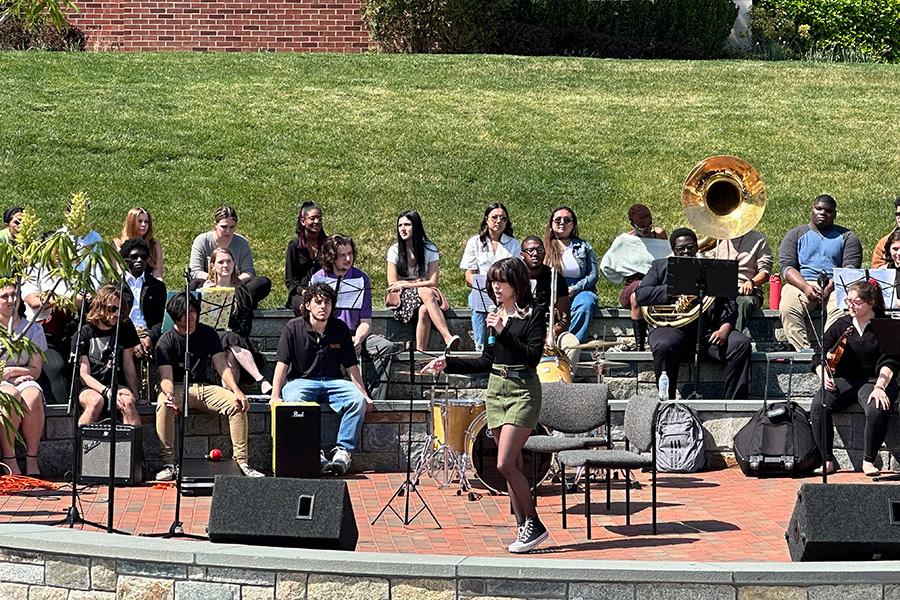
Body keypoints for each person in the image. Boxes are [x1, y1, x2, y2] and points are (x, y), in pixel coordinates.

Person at [422, 258, 547, 553]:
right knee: (511, 463)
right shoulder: (495, 315)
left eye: (500, 282)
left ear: (516, 284)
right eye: (493, 282)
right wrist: (448, 363)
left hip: (522, 390)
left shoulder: (533, 314)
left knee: (504, 463)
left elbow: (532, 357)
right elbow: (487, 361)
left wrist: (503, 331)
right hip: (497, 390)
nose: (495, 287)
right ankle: (522, 527)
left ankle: (534, 522)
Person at [154, 293, 264, 480]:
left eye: (192, 311)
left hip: (206, 387)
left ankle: (242, 462)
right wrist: (170, 394)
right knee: (164, 404)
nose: (190, 317)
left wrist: (237, 391)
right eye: (184, 314)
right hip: (180, 387)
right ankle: (169, 463)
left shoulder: (208, 333)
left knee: (236, 403)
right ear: (175, 316)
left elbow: (222, 365)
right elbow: (166, 376)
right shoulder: (166, 341)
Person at [635, 227, 752, 400]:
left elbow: (730, 304)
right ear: (673, 250)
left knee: (740, 344)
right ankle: (667, 401)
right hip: (671, 329)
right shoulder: (660, 267)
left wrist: (724, 330)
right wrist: (671, 291)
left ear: (697, 247)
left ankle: (733, 403)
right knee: (663, 345)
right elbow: (641, 295)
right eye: (680, 249)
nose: (686, 252)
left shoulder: (714, 269)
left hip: (708, 333)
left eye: (690, 247)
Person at [269, 283, 372, 475]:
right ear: (307, 305)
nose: (323, 306)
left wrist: (364, 394)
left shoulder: (340, 329)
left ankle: (343, 452)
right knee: (294, 402)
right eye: (318, 302)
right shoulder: (293, 328)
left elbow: (351, 366)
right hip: (301, 381)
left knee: (357, 400)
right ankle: (314, 454)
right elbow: (281, 364)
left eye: (327, 302)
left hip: (334, 381)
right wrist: (275, 395)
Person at [810, 280, 898, 476]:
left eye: (855, 302)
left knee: (876, 406)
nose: (850, 305)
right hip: (844, 379)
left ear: (871, 303)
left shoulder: (885, 325)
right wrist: (822, 374)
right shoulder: (841, 324)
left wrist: (880, 386)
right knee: (819, 404)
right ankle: (827, 459)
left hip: (873, 380)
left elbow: (890, 361)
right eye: (848, 300)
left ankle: (868, 461)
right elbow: (819, 353)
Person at [310, 234, 404, 401]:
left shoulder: (361, 279)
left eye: (350, 253)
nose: (348, 258)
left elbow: (366, 321)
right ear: (331, 257)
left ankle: (375, 400)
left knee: (386, 347)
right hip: (328, 335)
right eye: (342, 255)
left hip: (355, 334)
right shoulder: (318, 278)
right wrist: (344, 341)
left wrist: (358, 339)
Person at [778, 195, 862, 351]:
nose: (823, 213)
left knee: (842, 310)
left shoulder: (848, 237)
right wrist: (805, 287)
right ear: (812, 209)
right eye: (819, 209)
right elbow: (787, 268)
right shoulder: (795, 235)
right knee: (788, 306)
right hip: (802, 283)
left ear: (834, 214)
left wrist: (830, 286)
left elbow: (850, 268)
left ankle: (827, 349)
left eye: (828, 211)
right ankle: (803, 351)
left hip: (836, 284)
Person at [386, 210, 459, 352]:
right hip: (401, 295)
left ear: (416, 226)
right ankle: (447, 337)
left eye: (407, 224)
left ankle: (421, 354)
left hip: (425, 294)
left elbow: (434, 281)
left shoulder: (429, 248)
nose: (402, 228)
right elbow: (393, 283)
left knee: (425, 309)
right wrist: (415, 284)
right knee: (425, 291)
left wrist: (408, 283)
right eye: (400, 225)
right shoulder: (394, 250)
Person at [600, 204, 670, 350]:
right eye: (642, 228)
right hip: (633, 285)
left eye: (649, 225)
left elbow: (667, 255)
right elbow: (606, 265)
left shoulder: (659, 235)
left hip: (656, 283)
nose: (647, 230)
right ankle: (639, 345)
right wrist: (620, 277)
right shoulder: (624, 241)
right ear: (633, 225)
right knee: (640, 289)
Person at [202, 247, 271, 394]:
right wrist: (204, 293)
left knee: (230, 353)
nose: (226, 265)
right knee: (228, 339)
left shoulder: (241, 291)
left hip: (237, 343)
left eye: (229, 261)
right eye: (221, 262)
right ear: (212, 266)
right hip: (208, 341)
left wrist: (230, 331)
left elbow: (246, 326)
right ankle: (260, 379)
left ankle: (230, 396)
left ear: (234, 264)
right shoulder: (203, 289)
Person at [74, 284, 141, 427]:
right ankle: (82, 446)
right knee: (95, 402)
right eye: (112, 309)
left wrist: (136, 395)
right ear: (100, 306)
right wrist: (107, 392)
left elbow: (128, 364)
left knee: (128, 403)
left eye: (120, 310)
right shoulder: (84, 332)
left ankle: (134, 447)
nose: (116, 314)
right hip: (90, 386)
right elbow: (84, 375)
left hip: (117, 384)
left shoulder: (125, 327)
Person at [460, 203, 521, 352]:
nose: (498, 221)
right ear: (486, 219)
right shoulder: (475, 242)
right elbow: (469, 272)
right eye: (494, 217)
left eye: (503, 218)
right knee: (477, 304)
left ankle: (504, 344)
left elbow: (516, 271)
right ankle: (480, 346)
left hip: (505, 290)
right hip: (481, 288)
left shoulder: (513, 244)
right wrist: (479, 284)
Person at [0, 283, 47, 475]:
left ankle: (32, 459)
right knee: (10, 395)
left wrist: (10, 371)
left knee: (33, 395)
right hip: (4, 383)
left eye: (15, 295)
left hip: (24, 378)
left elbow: (35, 370)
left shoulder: (33, 329)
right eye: (5, 296)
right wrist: (14, 372)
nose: (11, 300)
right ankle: (9, 458)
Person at [189, 205, 272, 308]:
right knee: (193, 284)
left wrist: (232, 281)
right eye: (224, 227)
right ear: (215, 225)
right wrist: (216, 281)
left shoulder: (242, 243)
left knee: (263, 282)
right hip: (209, 284)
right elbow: (195, 271)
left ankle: (234, 303)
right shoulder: (202, 241)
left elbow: (249, 272)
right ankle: (236, 302)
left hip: (235, 285)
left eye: (232, 227)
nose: (228, 231)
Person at [543, 206, 599, 345]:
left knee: (586, 303)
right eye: (558, 220)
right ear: (551, 223)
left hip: (579, 288)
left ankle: (571, 344)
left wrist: (576, 288)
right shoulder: (544, 247)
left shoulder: (584, 246)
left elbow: (593, 274)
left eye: (567, 220)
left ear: (573, 224)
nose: (562, 222)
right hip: (551, 290)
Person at [709, 229, 772, 336]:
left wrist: (751, 282)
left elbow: (765, 273)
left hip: (747, 291)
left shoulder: (758, 239)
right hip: (720, 290)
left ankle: (733, 337)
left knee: (743, 303)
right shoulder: (715, 240)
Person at [119, 237, 167, 358]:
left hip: (148, 334)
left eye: (144, 257)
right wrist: (133, 340)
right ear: (125, 259)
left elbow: (160, 320)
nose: (139, 260)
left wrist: (149, 337)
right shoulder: (115, 287)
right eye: (134, 257)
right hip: (124, 334)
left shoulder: (157, 286)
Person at [521, 236, 569, 344]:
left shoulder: (556, 278)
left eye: (540, 250)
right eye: (530, 251)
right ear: (522, 255)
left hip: (548, 333)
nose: (535, 254)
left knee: (571, 343)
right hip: (520, 333)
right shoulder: (514, 277)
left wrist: (551, 334)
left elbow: (564, 318)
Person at [285, 201, 327, 313]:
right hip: (300, 293)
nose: (317, 222)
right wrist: (304, 292)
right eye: (312, 219)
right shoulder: (294, 246)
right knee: (306, 307)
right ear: (303, 221)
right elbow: (290, 280)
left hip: (324, 291)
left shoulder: (328, 245)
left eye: (319, 218)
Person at [113, 207, 164, 280]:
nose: (143, 225)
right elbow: (119, 273)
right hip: (125, 286)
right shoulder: (117, 243)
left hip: (148, 287)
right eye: (140, 221)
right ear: (131, 223)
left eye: (146, 222)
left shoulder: (154, 245)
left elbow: (157, 274)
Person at [870, 197, 900, 269]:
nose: (899, 217)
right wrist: (891, 266)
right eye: (898, 214)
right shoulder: (884, 243)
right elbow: (876, 272)